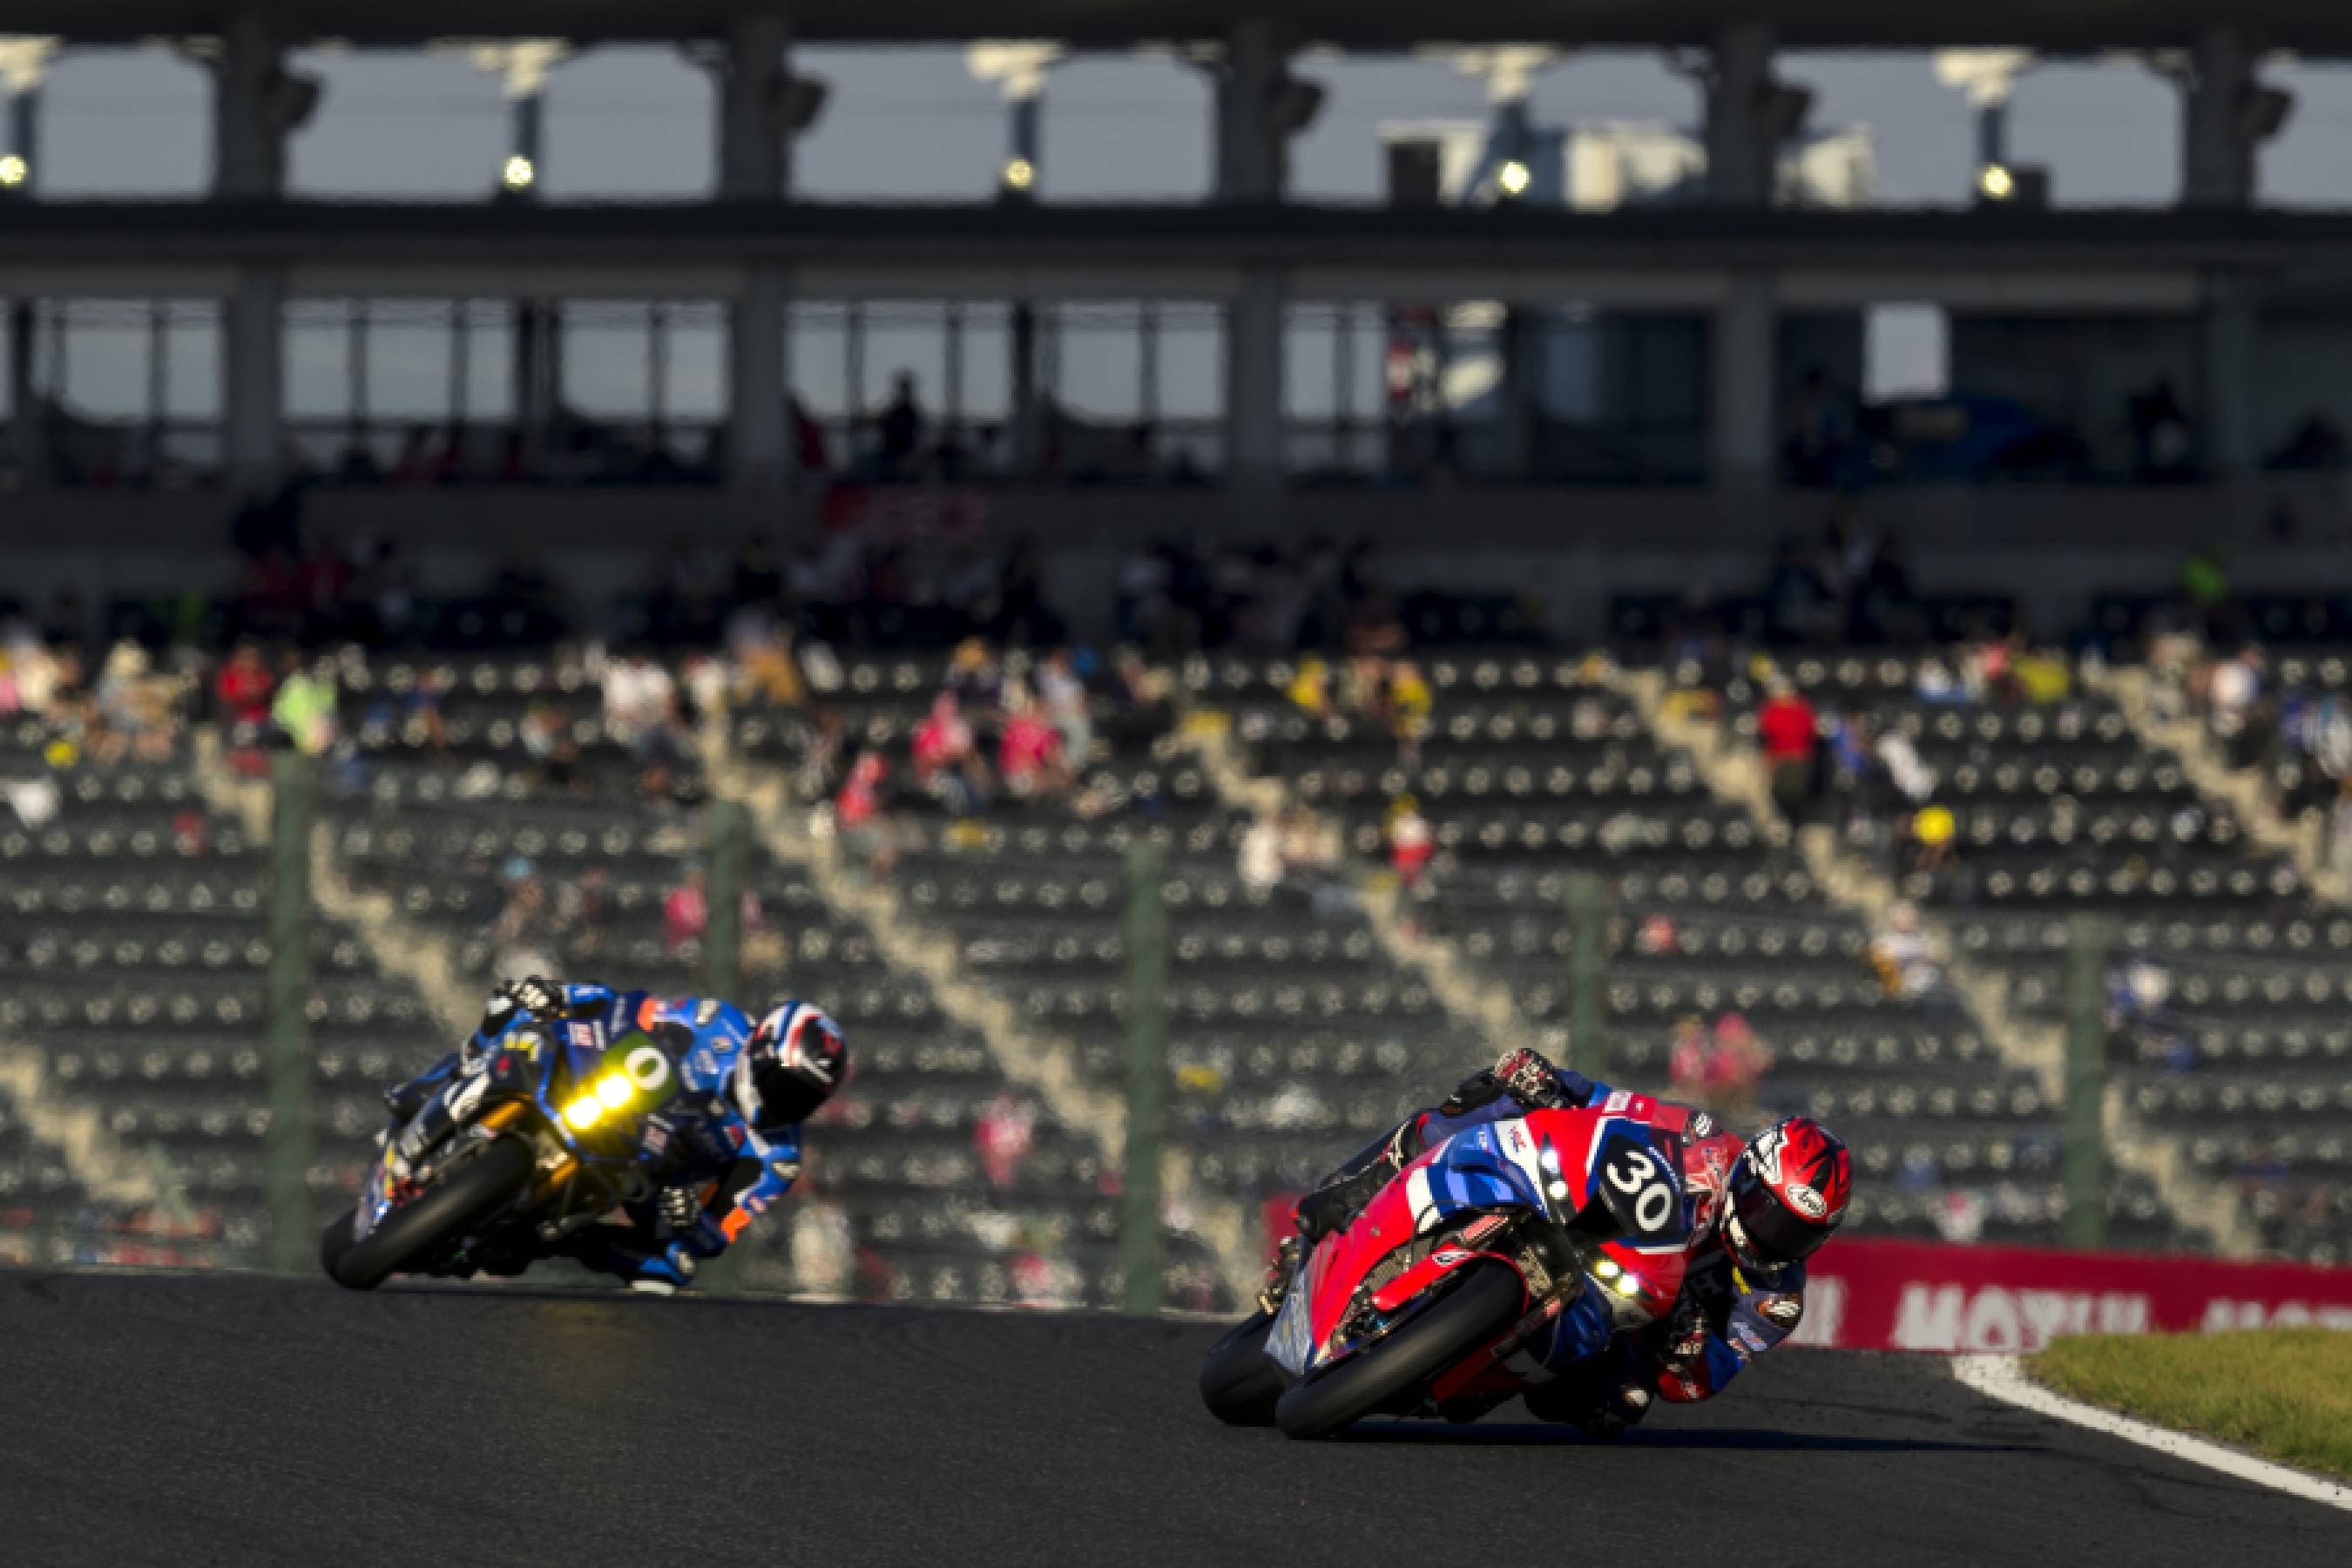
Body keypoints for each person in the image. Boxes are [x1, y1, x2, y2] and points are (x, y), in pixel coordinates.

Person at [1267, 1046, 1850, 1435]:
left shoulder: (1775, 1299)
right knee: (1480, 1103)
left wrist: (1687, 1351)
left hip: (1630, 1318)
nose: (1773, 1235)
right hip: (1589, 1224)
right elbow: (1613, 1104)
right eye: (1766, 1211)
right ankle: (1350, 1195)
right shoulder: (1704, 1142)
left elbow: (1698, 1384)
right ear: (1748, 1173)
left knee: (1621, 1406)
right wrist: (1549, 1082)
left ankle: (1472, 1373)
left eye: (1797, 1232)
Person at [382, 977, 848, 1294]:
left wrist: (691, 1218)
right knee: (520, 1021)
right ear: (762, 1047)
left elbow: (718, 1233)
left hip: (650, 1179)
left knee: (673, 1268)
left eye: (802, 1098)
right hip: (619, 1099)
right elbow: (635, 1009)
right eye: (785, 1083)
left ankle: (549, 1241)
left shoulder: (778, 1156)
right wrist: (564, 996)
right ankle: (436, 1089)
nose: (787, 1102)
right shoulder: (717, 1023)